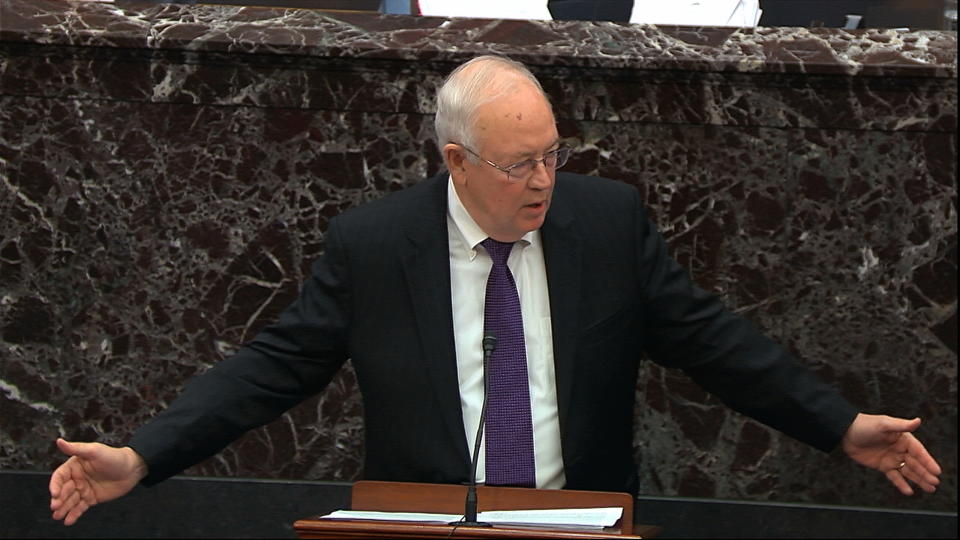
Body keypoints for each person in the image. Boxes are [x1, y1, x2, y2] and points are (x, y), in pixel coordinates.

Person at [50, 55, 942, 526]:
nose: (544, 181)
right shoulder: (375, 246)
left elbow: (716, 344)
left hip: (582, 522)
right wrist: (142, 456)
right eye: (519, 165)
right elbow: (269, 369)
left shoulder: (604, 223)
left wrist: (838, 424)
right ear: (455, 162)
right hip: (427, 524)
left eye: (554, 154)